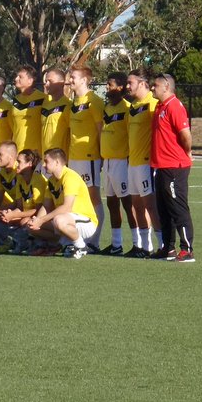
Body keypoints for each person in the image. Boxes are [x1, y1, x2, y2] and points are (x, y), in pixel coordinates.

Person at [149, 73, 195, 262]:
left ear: (166, 87)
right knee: (163, 209)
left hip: (174, 166)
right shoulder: (160, 106)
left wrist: (188, 151)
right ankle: (168, 248)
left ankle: (187, 249)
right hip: (160, 166)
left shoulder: (174, 106)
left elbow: (185, 134)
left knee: (177, 208)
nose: (152, 88)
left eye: (155, 85)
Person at [28, 147, 99, 259]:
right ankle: (61, 245)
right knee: (30, 225)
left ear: (57, 162)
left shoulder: (70, 177)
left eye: (46, 162)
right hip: (66, 221)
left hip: (87, 223)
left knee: (58, 220)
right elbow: (46, 206)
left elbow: (67, 208)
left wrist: (41, 220)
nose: (44, 165)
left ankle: (81, 246)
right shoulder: (51, 180)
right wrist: (37, 221)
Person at [124, 68, 162, 258]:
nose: (127, 86)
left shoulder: (153, 104)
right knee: (136, 206)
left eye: (130, 82)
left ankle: (162, 245)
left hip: (146, 164)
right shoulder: (132, 107)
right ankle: (144, 247)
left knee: (150, 205)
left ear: (143, 83)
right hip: (132, 163)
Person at [67, 66, 105, 250]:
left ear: (84, 80)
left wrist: (101, 155)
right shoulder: (74, 102)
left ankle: (94, 240)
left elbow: (100, 130)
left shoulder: (94, 101)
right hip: (74, 157)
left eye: (73, 77)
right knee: (76, 198)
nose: (70, 80)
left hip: (89, 157)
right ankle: (79, 239)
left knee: (92, 197)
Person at [99, 73, 133, 255]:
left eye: (110, 84)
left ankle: (139, 243)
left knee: (128, 203)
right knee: (112, 203)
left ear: (120, 87)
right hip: (108, 162)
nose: (107, 87)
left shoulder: (127, 108)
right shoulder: (107, 108)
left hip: (121, 161)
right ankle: (116, 244)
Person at [9, 65, 45, 156]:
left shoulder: (43, 99)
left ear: (30, 80)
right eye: (16, 76)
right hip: (17, 152)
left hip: (35, 153)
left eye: (20, 77)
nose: (16, 79)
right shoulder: (15, 100)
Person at [40, 67, 70, 157]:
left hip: (59, 159)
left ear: (61, 83)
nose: (46, 84)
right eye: (46, 81)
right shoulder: (45, 104)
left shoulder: (67, 105)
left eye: (50, 81)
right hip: (44, 157)